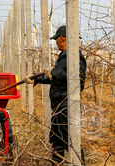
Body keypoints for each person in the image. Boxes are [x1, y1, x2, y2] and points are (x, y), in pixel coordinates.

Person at [23, 25, 86, 164]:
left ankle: (79, 163)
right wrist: (35, 77)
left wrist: (55, 72)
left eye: (56, 39)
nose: (55, 42)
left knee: (70, 141)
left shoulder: (76, 57)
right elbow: (56, 79)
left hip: (67, 106)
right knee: (56, 140)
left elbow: (79, 79)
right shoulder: (63, 56)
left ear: (61, 38)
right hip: (59, 105)